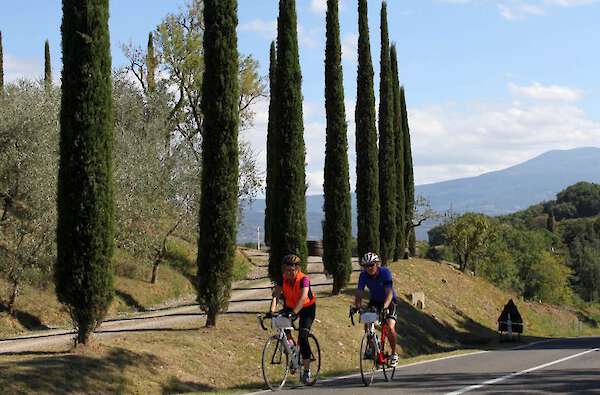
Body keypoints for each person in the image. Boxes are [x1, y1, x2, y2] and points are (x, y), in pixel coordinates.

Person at [269, 254, 317, 384]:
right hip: (290, 306)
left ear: (298, 269)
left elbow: (302, 298)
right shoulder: (282, 279)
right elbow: (276, 295)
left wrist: (294, 313)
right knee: (282, 326)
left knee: (303, 336)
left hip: (307, 307)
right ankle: (293, 352)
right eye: (286, 270)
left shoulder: (304, 279)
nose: (289, 273)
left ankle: (307, 371)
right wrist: (271, 311)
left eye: (292, 270)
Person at [354, 252, 399, 367]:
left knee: (390, 326)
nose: (369, 268)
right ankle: (371, 347)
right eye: (366, 266)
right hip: (375, 301)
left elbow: (389, 293)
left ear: (377, 264)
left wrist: (384, 307)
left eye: (371, 265)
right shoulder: (363, 275)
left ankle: (394, 354)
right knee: (367, 321)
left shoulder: (385, 272)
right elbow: (359, 292)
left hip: (389, 301)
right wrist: (357, 306)